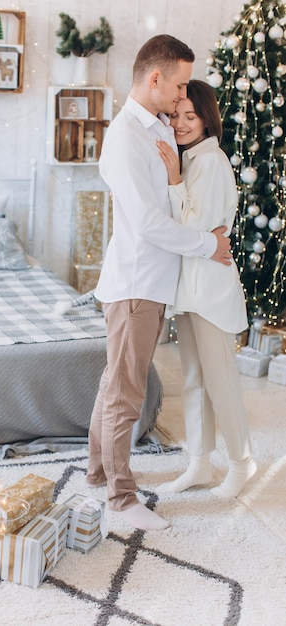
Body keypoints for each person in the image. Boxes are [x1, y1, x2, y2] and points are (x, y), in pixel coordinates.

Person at [85, 35, 233, 531]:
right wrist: (207, 245)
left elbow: (173, 202)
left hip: (150, 283)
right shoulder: (127, 135)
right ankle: (120, 501)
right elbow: (149, 222)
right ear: (156, 78)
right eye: (180, 84)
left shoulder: (158, 129)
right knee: (126, 392)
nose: (182, 96)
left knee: (115, 383)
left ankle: (99, 472)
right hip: (136, 283)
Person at [156, 79, 257, 498]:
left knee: (221, 382)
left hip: (210, 292)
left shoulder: (210, 160)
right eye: (176, 114)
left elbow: (195, 229)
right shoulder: (191, 158)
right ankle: (199, 464)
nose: (180, 123)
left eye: (190, 116)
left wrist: (175, 179)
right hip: (189, 289)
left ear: (206, 119)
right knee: (195, 380)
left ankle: (242, 463)